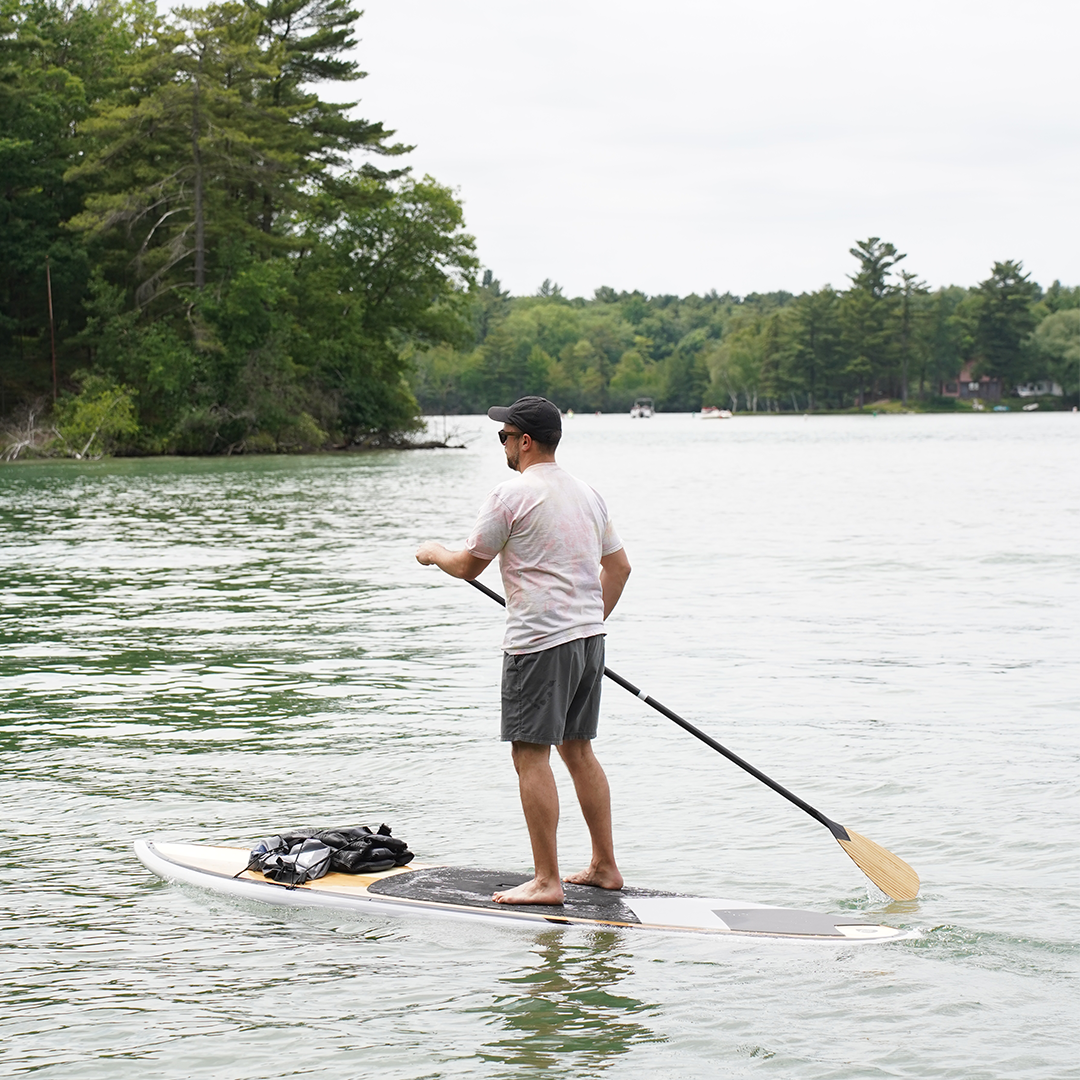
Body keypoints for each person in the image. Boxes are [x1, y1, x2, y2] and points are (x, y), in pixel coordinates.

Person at [415, 396, 631, 905]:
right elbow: (619, 569)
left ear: (525, 441)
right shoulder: (588, 494)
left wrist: (432, 553)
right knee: (578, 750)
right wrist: (586, 620)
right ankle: (604, 866)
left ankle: (546, 880)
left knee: (530, 755)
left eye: (504, 437)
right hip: (588, 642)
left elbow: (469, 565)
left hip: (537, 646)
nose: (503, 446)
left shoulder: (510, 495)